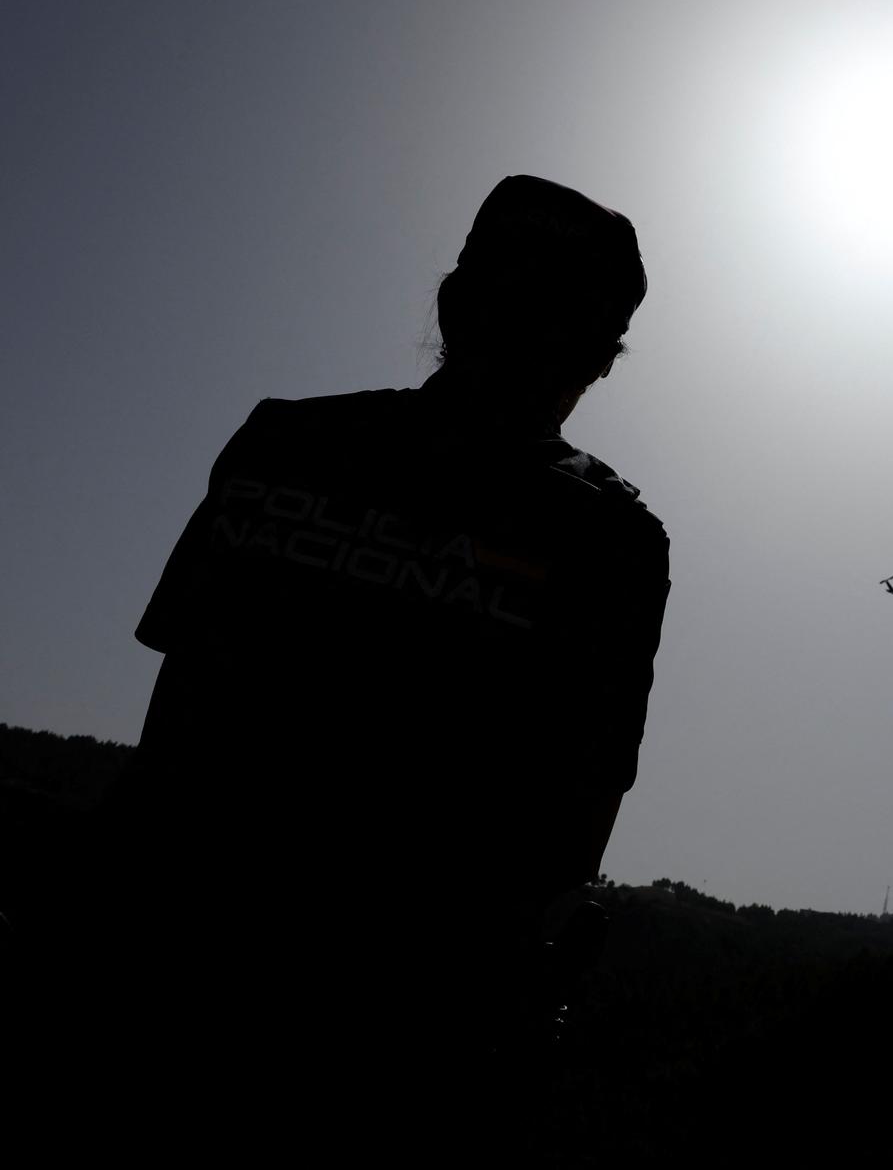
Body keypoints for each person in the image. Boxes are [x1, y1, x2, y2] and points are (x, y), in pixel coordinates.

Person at [90, 174, 671, 1149]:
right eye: (527, 305)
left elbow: (172, 725)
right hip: (337, 1045)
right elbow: (571, 840)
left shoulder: (288, 442)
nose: (537, 341)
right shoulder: (609, 540)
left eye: (559, 318)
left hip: (221, 1007)